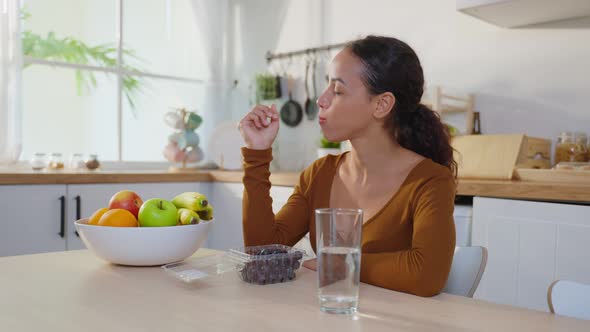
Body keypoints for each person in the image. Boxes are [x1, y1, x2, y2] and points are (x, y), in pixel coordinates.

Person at [238, 35, 456, 297]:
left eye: (338, 90)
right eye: (327, 86)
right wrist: (257, 154)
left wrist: (337, 263)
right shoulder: (320, 174)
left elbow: (426, 275)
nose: (322, 99)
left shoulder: (430, 181)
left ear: (382, 104)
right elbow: (262, 252)